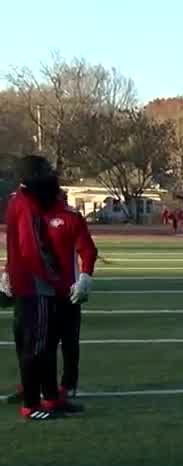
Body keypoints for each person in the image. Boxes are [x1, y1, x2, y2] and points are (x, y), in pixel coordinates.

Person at [2, 155, 80, 420]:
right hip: (35, 286)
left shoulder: (23, 201)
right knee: (36, 346)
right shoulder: (26, 204)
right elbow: (31, 248)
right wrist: (54, 279)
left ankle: (49, 398)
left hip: (33, 283)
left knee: (43, 345)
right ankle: (32, 403)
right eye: (45, 170)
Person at [45, 192, 98, 399]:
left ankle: (68, 384)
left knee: (68, 340)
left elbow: (87, 249)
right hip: (36, 288)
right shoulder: (28, 213)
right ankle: (33, 383)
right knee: (36, 341)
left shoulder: (70, 216)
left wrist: (85, 277)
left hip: (67, 288)